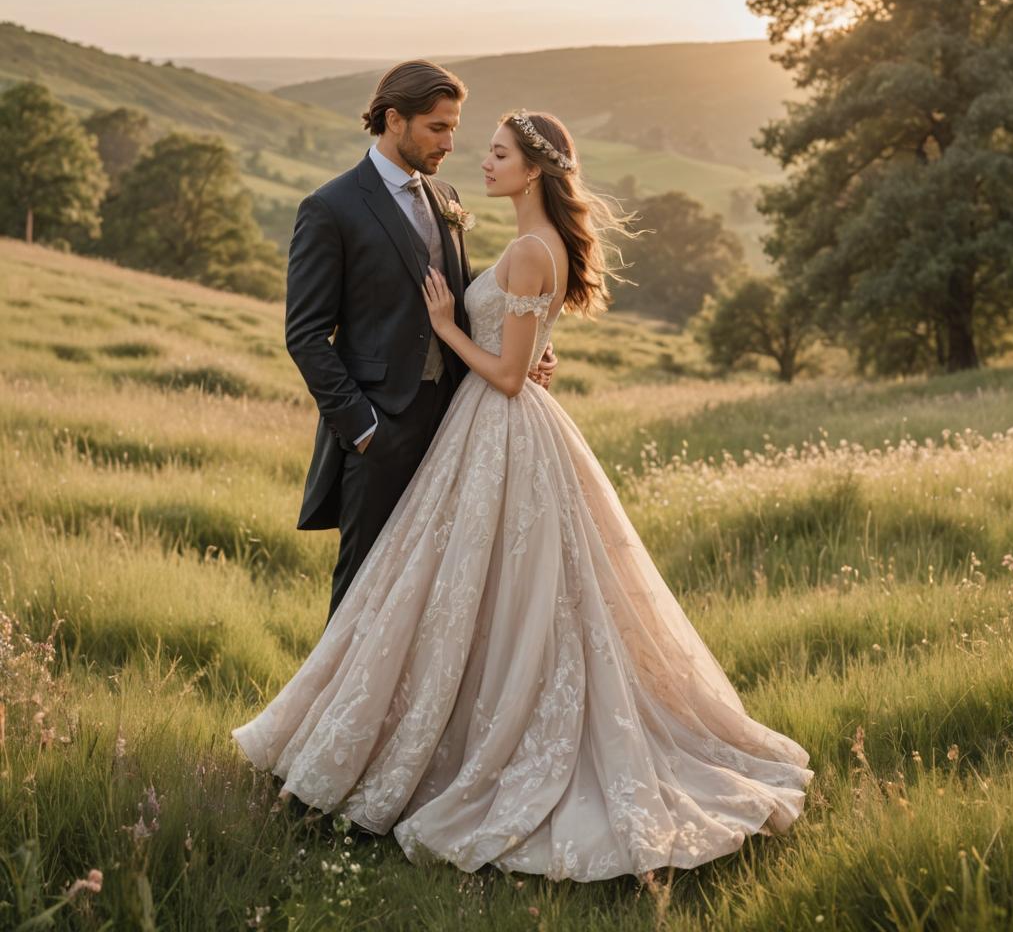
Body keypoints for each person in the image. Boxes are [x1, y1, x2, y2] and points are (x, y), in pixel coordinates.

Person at [233, 110, 813, 882]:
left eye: (499, 154)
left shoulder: (532, 250)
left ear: (533, 169)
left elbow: (505, 373)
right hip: (496, 426)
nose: (484, 163)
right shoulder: (533, 247)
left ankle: (462, 742)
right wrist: (522, 349)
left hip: (501, 422)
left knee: (491, 591)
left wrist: (446, 326)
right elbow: (526, 347)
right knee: (478, 590)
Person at [284, 60, 556, 622]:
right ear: (393, 120)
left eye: (454, 127)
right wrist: (362, 429)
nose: (451, 143)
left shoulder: (446, 195)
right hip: (379, 431)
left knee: (436, 590)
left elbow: (467, 296)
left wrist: (526, 350)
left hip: (454, 423)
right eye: (437, 127)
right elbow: (306, 336)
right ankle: (339, 710)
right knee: (363, 587)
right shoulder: (330, 208)